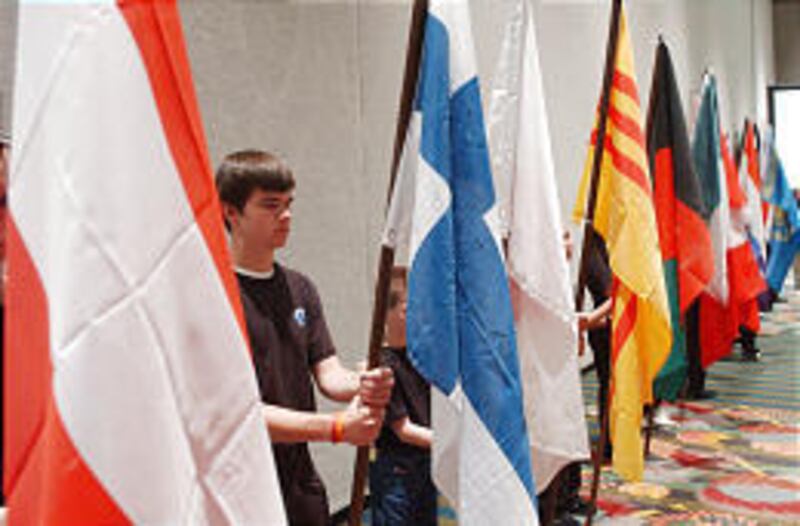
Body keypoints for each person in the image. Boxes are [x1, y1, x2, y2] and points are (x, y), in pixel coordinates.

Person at [215, 149, 394, 526]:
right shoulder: (214, 295)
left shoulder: (300, 288)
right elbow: (238, 413)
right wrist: (337, 428)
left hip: (299, 482)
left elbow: (330, 376)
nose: (286, 216)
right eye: (270, 205)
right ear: (231, 212)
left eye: (288, 204)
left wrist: (363, 381)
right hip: (240, 485)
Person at [369, 267, 436, 526]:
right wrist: (449, 444)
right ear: (391, 313)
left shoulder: (420, 357)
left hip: (425, 461)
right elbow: (403, 430)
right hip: (397, 469)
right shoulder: (383, 364)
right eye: (409, 308)